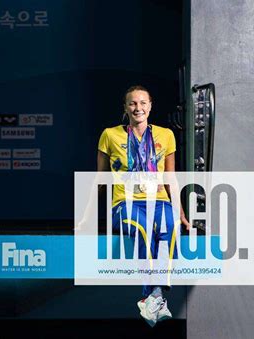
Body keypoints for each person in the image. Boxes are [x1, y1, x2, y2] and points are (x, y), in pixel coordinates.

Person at [97, 85, 191, 327]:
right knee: (143, 228)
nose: (138, 108)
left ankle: (153, 295)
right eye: (132, 103)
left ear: (150, 106)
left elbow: (170, 177)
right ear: (125, 108)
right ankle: (155, 294)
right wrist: (86, 216)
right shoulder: (110, 134)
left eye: (142, 103)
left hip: (158, 200)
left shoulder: (165, 135)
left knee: (170, 227)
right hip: (124, 204)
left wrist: (179, 211)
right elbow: (99, 179)